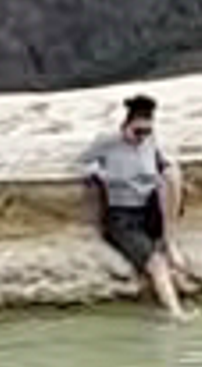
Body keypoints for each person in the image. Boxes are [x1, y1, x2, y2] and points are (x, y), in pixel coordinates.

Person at [80, 89, 191, 318]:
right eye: (138, 131)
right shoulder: (108, 142)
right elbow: (84, 162)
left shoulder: (150, 142)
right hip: (123, 215)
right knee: (157, 264)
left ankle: (169, 240)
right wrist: (103, 175)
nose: (142, 137)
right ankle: (176, 314)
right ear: (126, 125)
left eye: (147, 131)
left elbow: (163, 166)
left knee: (172, 174)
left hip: (148, 208)